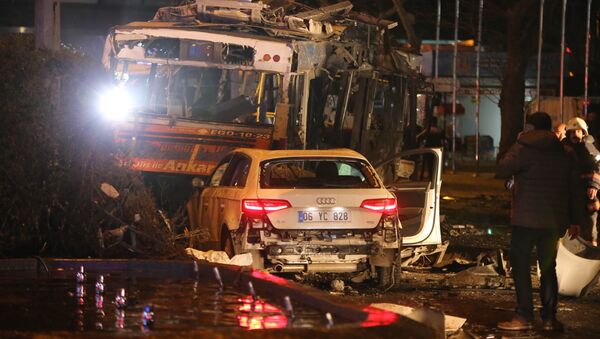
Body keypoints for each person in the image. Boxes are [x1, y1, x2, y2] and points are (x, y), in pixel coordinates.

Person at [496, 112, 578, 331]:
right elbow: (574, 188)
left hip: (525, 220)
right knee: (548, 268)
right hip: (553, 220)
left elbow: (502, 168)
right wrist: (574, 219)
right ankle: (550, 319)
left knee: (521, 268)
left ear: (530, 127)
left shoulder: (522, 147)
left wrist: (515, 142)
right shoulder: (563, 151)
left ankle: (524, 316)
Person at [563, 117, 600, 246]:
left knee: (589, 224)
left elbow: (597, 167)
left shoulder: (590, 148)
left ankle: (590, 249)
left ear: (583, 132)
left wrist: (593, 185)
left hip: (586, 195)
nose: (574, 134)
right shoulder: (564, 148)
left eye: (577, 131)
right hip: (568, 193)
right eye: (572, 132)